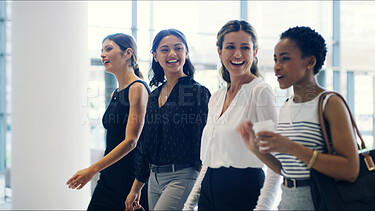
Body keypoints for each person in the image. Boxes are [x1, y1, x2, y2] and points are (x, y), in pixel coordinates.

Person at [238, 26, 360, 210]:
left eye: (285, 59)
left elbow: (350, 170)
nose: (277, 66)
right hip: (287, 203)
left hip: (320, 203)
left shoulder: (330, 103)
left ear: (310, 61)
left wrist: (292, 147)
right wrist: (255, 149)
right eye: (276, 59)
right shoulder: (287, 105)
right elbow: (287, 170)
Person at [184, 20, 281, 211]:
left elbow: (277, 163)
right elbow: (209, 160)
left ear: (254, 52)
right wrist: (189, 205)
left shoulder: (260, 92)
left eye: (245, 47)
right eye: (230, 47)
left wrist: (263, 208)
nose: (238, 54)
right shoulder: (217, 97)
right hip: (209, 192)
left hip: (244, 191)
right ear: (220, 52)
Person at [124, 29, 211, 211]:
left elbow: (204, 144)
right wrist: (136, 188)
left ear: (186, 53)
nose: (172, 53)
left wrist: (203, 187)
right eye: (164, 49)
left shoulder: (198, 92)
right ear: (155, 56)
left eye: (178, 48)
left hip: (183, 177)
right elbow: (148, 145)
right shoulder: (154, 95)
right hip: (154, 180)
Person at [66, 33, 150, 211]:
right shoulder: (116, 93)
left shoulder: (137, 88)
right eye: (102, 50)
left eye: (108, 49)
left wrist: (92, 169)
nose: (103, 54)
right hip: (110, 175)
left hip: (129, 177)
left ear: (127, 53)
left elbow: (131, 141)